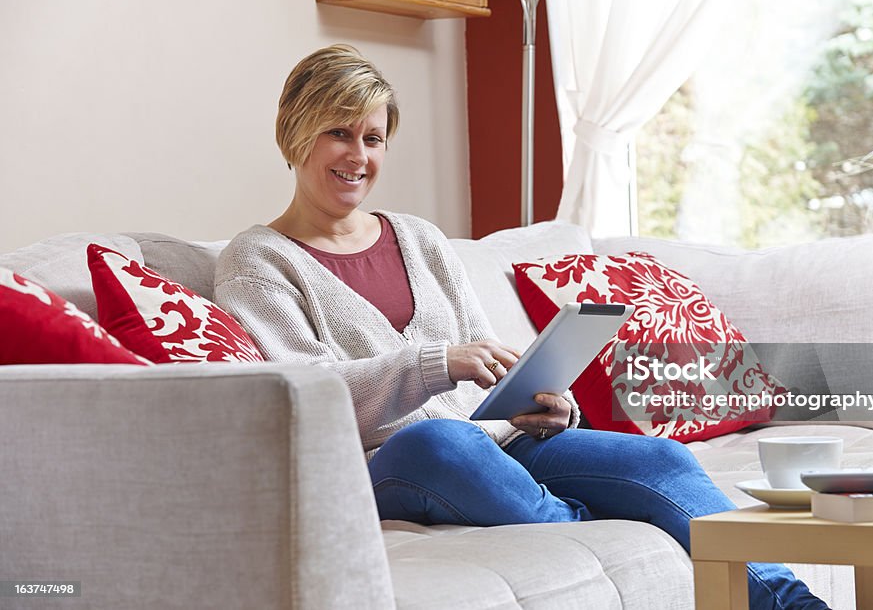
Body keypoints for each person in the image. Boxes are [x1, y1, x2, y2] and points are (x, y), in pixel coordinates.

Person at [214, 44, 830, 610]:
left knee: (662, 461)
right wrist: (436, 363)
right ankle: (579, 524)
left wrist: (542, 401)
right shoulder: (259, 260)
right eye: (338, 133)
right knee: (442, 444)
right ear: (295, 135)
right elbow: (303, 397)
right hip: (387, 461)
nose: (359, 155)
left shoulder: (420, 239)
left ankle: (793, 602)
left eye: (373, 138)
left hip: (499, 443)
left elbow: (487, 365)